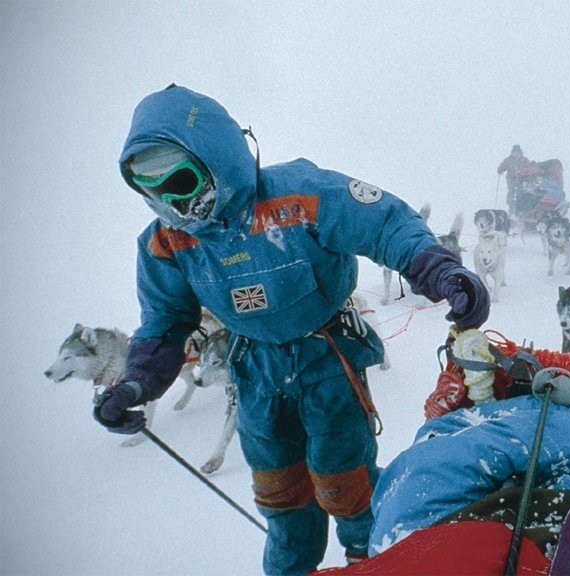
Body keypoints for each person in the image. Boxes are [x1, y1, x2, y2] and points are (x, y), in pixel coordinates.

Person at [93, 84, 490, 575]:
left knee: (346, 484)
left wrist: (439, 270)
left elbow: (384, 224)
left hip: (327, 359)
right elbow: (165, 322)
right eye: (152, 192)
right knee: (281, 495)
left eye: (182, 181)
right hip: (256, 371)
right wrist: (137, 382)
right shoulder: (167, 243)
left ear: (217, 159)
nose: (176, 204)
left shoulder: (299, 196)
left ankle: (371, 561)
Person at [496, 144, 530, 210]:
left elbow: (529, 168)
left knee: (521, 192)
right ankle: (511, 206)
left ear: (520, 152)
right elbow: (503, 166)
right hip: (511, 178)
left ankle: (519, 206)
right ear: (512, 152)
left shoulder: (524, 160)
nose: (516, 154)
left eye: (517, 152)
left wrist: (528, 176)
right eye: (514, 152)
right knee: (511, 191)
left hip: (522, 179)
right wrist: (500, 170)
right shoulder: (508, 159)